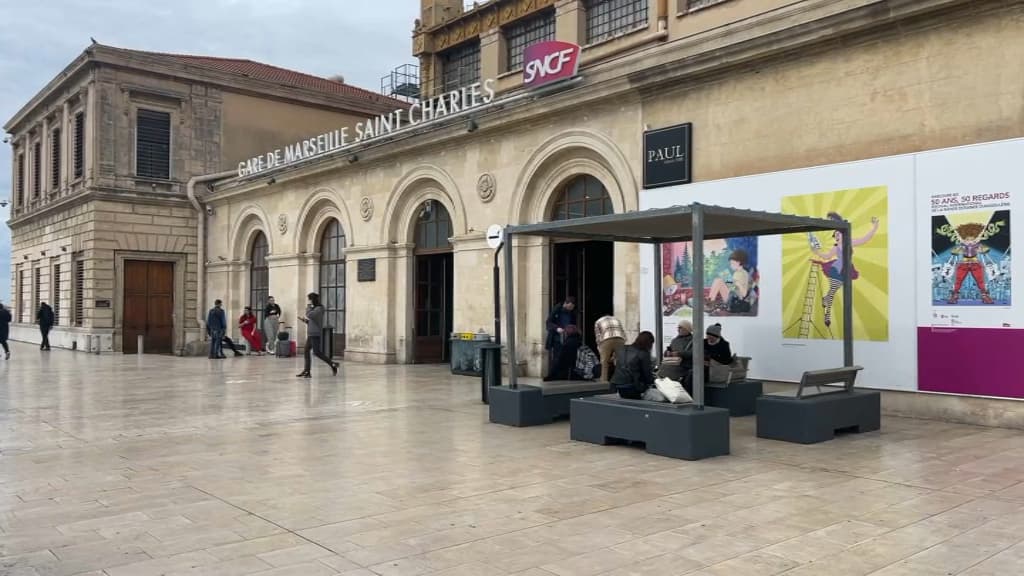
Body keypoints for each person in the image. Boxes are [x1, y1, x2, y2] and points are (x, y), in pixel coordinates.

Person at [810, 213, 880, 327]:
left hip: (846, 270)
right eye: (835, 235)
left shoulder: (850, 242)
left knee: (832, 290)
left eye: (838, 234)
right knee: (833, 291)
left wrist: (875, 227)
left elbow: (865, 239)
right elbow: (827, 256)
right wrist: (816, 251)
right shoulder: (836, 246)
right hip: (836, 269)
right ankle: (827, 316)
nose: (836, 237)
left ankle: (825, 299)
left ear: (843, 233)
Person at [297, 292, 339, 378]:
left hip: (315, 334)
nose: (308, 301)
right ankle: (307, 371)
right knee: (306, 351)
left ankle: (333, 364)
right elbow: (312, 321)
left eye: (309, 299)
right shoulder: (315, 309)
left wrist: (308, 308)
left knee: (317, 352)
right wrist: (305, 321)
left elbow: (310, 315)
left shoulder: (319, 309)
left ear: (312, 300)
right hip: (311, 333)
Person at [610, 331, 656, 400]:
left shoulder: (622, 349)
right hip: (632, 386)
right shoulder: (643, 354)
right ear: (649, 343)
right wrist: (655, 381)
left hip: (616, 384)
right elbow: (647, 375)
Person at [708, 250, 753, 315]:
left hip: (737, 301)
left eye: (732, 263)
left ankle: (710, 304)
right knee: (718, 280)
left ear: (738, 262)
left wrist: (737, 283)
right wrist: (729, 282)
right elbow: (733, 288)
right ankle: (710, 302)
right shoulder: (737, 273)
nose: (731, 265)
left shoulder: (743, 274)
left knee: (718, 281)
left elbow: (744, 294)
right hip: (733, 297)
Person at [545, 297, 576, 379]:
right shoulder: (557, 309)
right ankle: (552, 375)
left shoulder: (571, 313)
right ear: (566, 303)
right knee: (557, 357)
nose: (570, 309)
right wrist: (556, 328)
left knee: (566, 357)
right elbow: (548, 322)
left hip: (567, 337)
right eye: (569, 307)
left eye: (572, 308)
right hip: (557, 337)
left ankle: (564, 375)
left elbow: (573, 323)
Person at [660, 319, 695, 385]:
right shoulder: (675, 340)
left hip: (683, 365)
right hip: (672, 363)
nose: (678, 329)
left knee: (669, 373)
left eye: (680, 328)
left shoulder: (693, 340)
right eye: (678, 327)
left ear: (687, 329)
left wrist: (679, 353)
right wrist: (667, 352)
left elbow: (693, 353)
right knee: (663, 371)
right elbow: (668, 349)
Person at [594, 314, 625, 383]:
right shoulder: (617, 320)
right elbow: (623, 332)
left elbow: (598, 337)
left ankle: (604, 379)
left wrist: (600, 349)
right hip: (620, 338)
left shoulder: (598, 322)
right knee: (620, 361)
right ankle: (621, 379)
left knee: (604, 361)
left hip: (607, 339)